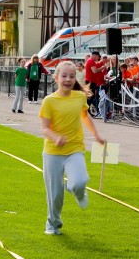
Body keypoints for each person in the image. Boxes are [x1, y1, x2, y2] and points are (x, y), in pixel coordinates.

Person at [39, 60, 105, 235]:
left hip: (75, 149)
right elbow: (45, 128)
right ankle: (53, 225)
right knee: (55, 194)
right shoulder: (49, 101)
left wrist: (96, 135)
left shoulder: (80, 97)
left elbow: (85, 116)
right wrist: (56, 138)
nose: (68, 79)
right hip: (53, 152)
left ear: (76, 78)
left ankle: (79, 192)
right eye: (64, 76)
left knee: (80, 181)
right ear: (56, 78)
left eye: (72, 76)